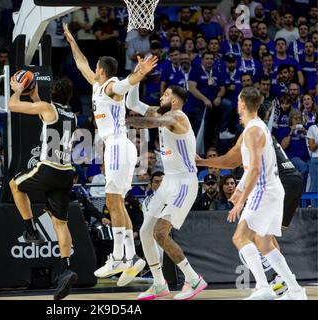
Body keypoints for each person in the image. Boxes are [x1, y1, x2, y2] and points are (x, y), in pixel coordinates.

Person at [64, 23, 158, 286]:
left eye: (96, 68)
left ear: (102, 71)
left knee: (113, 201)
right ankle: (131, 258)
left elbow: (125, 84)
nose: (92, 70)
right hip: (119, 146)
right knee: (118, 202)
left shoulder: (111, 86)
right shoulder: (97, 84)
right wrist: (72, 41)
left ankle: (118, 257)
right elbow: (81, 63)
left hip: (117, 145)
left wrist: (139, 74)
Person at [197, 87, 306, 300]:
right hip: (274, 190)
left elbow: (255, 169)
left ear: (243, 104)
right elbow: (244, 164)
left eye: (238, 101)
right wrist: (237, 189)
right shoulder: (257, 128)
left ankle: (264, 287)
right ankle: (295, 290)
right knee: (264, 242)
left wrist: (241, 202)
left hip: (264, 190)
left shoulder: (253, 131)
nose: (237, 104)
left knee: (240, 237)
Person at [126, 85, 207, 300]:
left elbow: (151, 122)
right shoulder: (162, 113)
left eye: (166, 94)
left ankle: (194, 279)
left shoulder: (177, 118)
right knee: (145, 231)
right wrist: (137, 78)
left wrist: (122, 123)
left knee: (160, 233)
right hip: (169, 182)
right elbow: (132, 103)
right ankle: (159, 284)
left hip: (184, 183)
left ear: (174, 101)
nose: (161, 95)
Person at [8, 77, 78, 300]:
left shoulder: (47, 107)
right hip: (67, 173)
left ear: (52, 94)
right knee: (60, 223)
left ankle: (30, 231)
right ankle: (66, 267)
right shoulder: (72, 116)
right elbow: (44, 111)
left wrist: (19, 90)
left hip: (48, 168)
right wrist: (35, 93)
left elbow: (13, 105)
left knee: (15, 185)